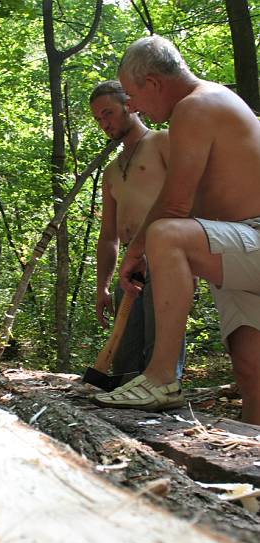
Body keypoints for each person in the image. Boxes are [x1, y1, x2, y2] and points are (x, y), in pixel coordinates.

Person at [94, 35, 260, 425]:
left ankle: (161, 376)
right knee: (252, 373)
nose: (131, 105)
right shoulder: (208, 106)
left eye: (133, 94)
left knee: (167, 233)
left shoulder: (196, 106)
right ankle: (249, 466)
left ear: (153, 82)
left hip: (253, 235)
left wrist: (134, 253)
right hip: (238, 248)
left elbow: (174, 207)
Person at [90, 80, 185, 380]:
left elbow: (187, 198)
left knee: (161, 355)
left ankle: (166, 420)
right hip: (129, 271)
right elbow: (108, 236)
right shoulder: (112, 171)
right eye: (98, 119)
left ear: (129, 105)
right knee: (124, 363)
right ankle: (126, 421)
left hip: (166, 257)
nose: (104, 123)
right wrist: (102, 286)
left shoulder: (163, 142)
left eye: (108, 113)